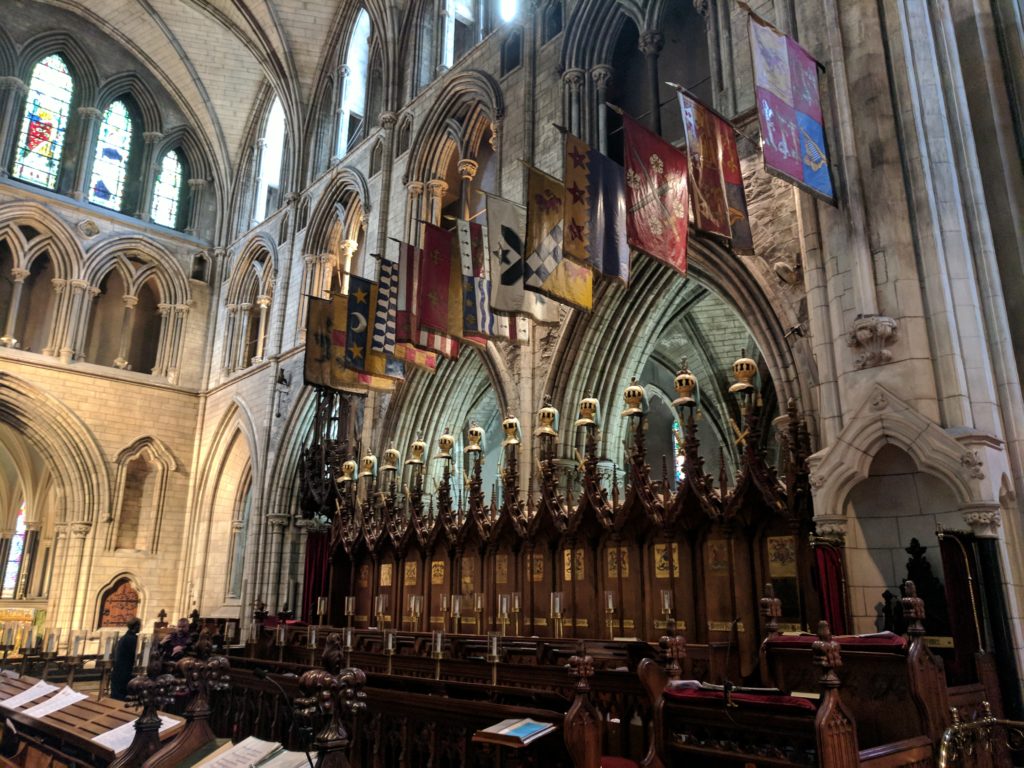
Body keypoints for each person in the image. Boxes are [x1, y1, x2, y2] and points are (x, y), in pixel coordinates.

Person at [110, 617, 140, 701]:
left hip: (118, 672)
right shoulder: (133, 639)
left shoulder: (124, 638)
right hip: (125, 673)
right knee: (122, 699)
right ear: (136, 626)